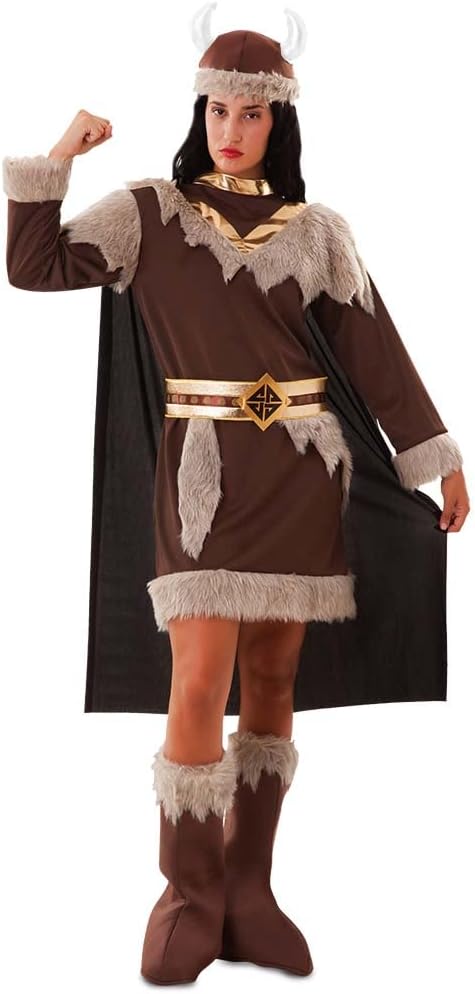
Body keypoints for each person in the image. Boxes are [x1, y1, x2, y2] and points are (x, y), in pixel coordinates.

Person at [2, 5, 470, 987]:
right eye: (218, 109)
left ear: (277, 121)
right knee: (197, 680)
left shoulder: (318, 232)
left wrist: (434, 455)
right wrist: (60, 156)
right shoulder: (149, 215)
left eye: (251, 113)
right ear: (200, 111)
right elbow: (33, 267)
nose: (232, 127)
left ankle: (250, 889)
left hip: (303, 474)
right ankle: (190, 890)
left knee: (270, 682)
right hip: (204, 483)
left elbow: (374, 352)